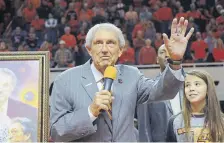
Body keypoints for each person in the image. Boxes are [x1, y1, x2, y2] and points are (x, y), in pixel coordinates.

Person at [50, 17, 194, 142]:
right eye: (99, 43)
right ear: (89, 49)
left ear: (120, 50)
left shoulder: (132, 75)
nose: (104, 49)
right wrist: (90, 112)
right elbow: (57, 132)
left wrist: (175, 61)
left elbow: (164, 91)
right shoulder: (65, 81)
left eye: (111, 43)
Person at [137, 44, 183, 142]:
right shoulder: (148, 89)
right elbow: (144, 128)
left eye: (170, 52)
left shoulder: (189, 85)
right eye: (162, 52)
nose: (167, 55)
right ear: (157, 59)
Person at [166, 70, 224, 142]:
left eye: (197, 84)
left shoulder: (221, 120)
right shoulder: (175, 121)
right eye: (187, 85)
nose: (191, 89)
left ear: (208, 89)